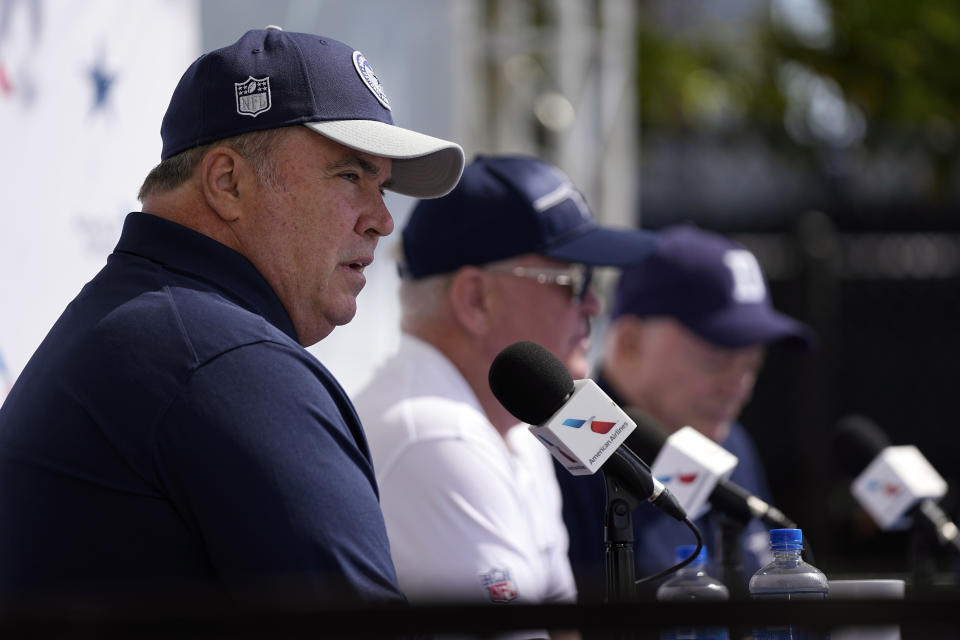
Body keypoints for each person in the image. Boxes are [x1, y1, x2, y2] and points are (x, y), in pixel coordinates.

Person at [0, 26, 464, 607]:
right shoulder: (228, 364)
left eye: (384, 187)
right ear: (227, 183)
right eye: (349, 176)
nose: (381, 220)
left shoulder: (150, 324)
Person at [353, 155, 657, 608]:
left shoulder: (512, 426)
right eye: (572, 279)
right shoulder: (436, 434)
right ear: (476, 299)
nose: (593, 304)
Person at [556, 224, 816, 601]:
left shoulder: (730, 441)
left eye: (752, 364)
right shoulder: (568, 452)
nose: (738, 385)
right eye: (717, 360)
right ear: (629, 342)